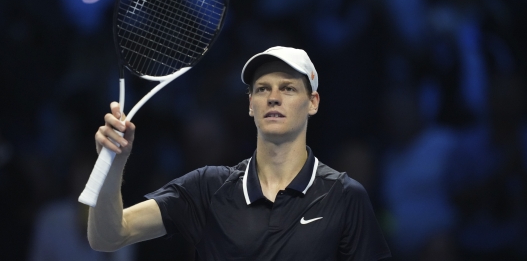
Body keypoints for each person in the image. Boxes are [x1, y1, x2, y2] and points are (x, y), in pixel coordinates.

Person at [87, 46, 392, 260]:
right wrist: (115, 163)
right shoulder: (208, 188)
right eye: (261, 89)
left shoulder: (345, 196)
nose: (273, 97)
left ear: (313, 102)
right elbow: (108, 237)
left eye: (287, 88)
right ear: (250, 105)